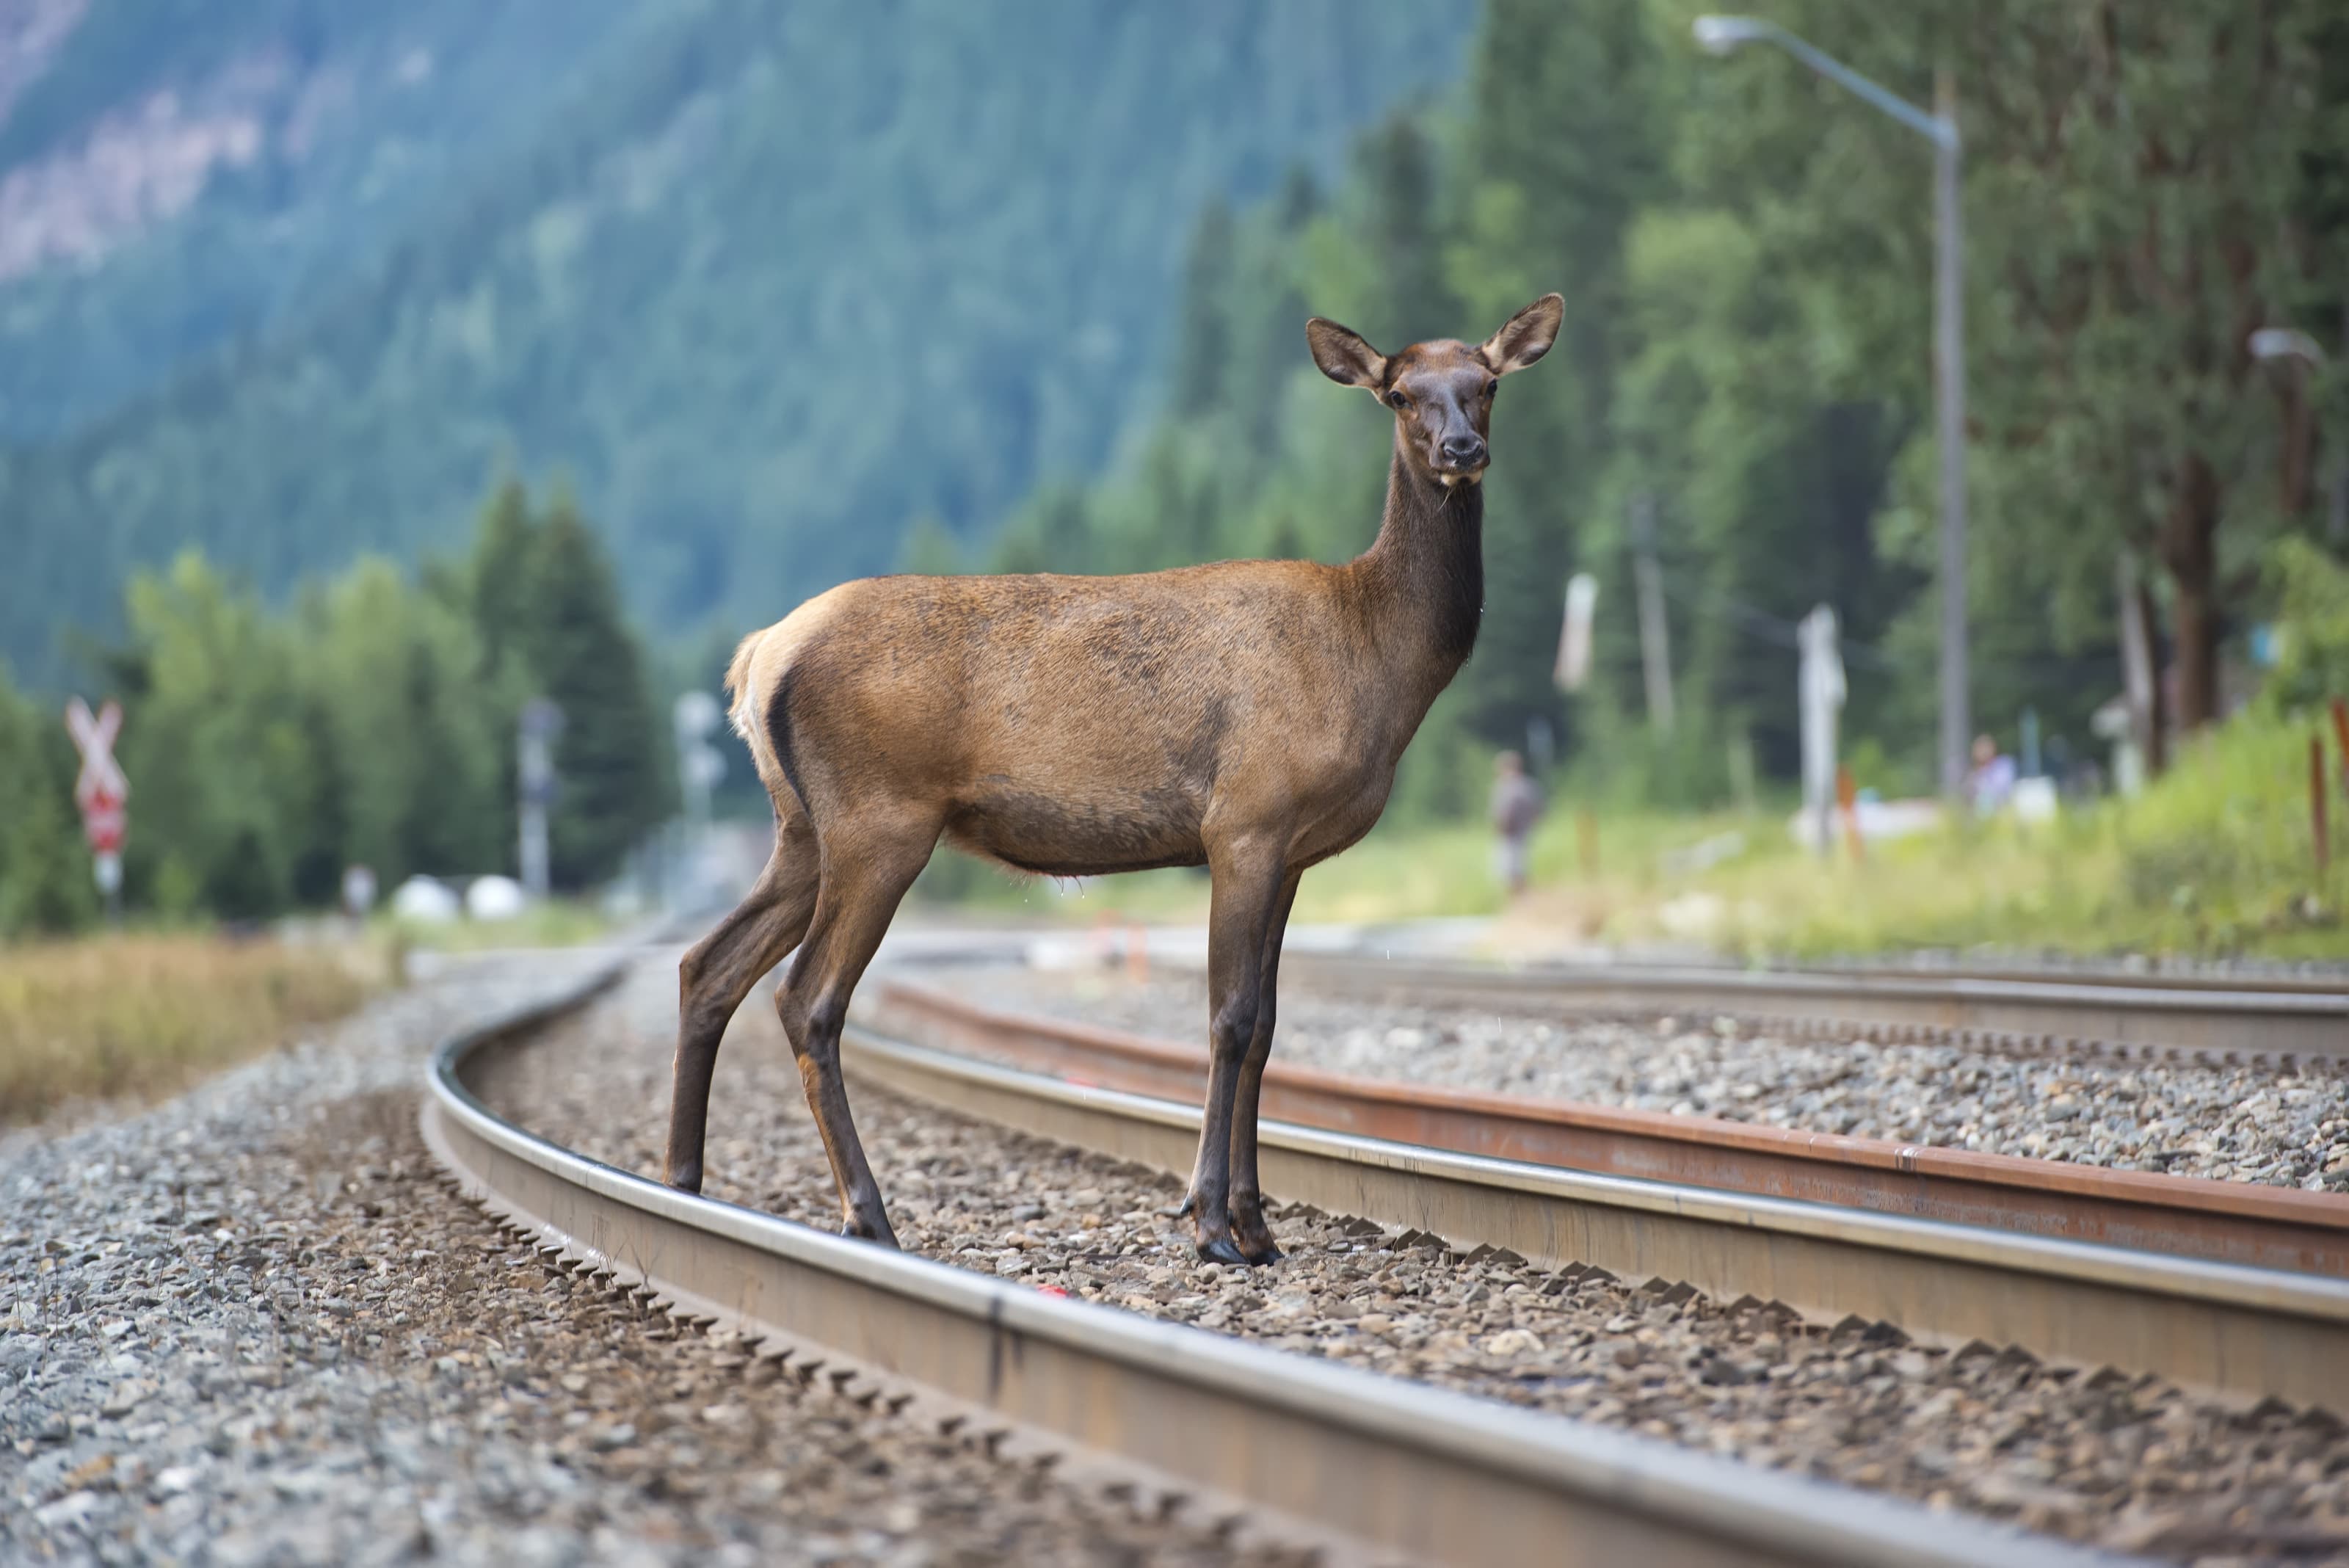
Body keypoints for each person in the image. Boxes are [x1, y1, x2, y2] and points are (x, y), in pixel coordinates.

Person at [1489, 750, 1544, 896]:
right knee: (1518, 869)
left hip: (1510, 835)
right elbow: (1538, 810)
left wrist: (1501, 827)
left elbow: (1502, 814)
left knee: (1511, 872)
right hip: (1523, 833)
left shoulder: (1506, 787)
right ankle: (1521, 899)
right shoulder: (1528, 786)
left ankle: (1518, 900)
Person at [1966, 734, 2017, 816]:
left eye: (1986, 748)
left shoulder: (2002, 765)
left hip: (2001, 810)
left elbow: (2001, 789)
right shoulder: (1973, 773)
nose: (1983, 752)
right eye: (1980, 749)